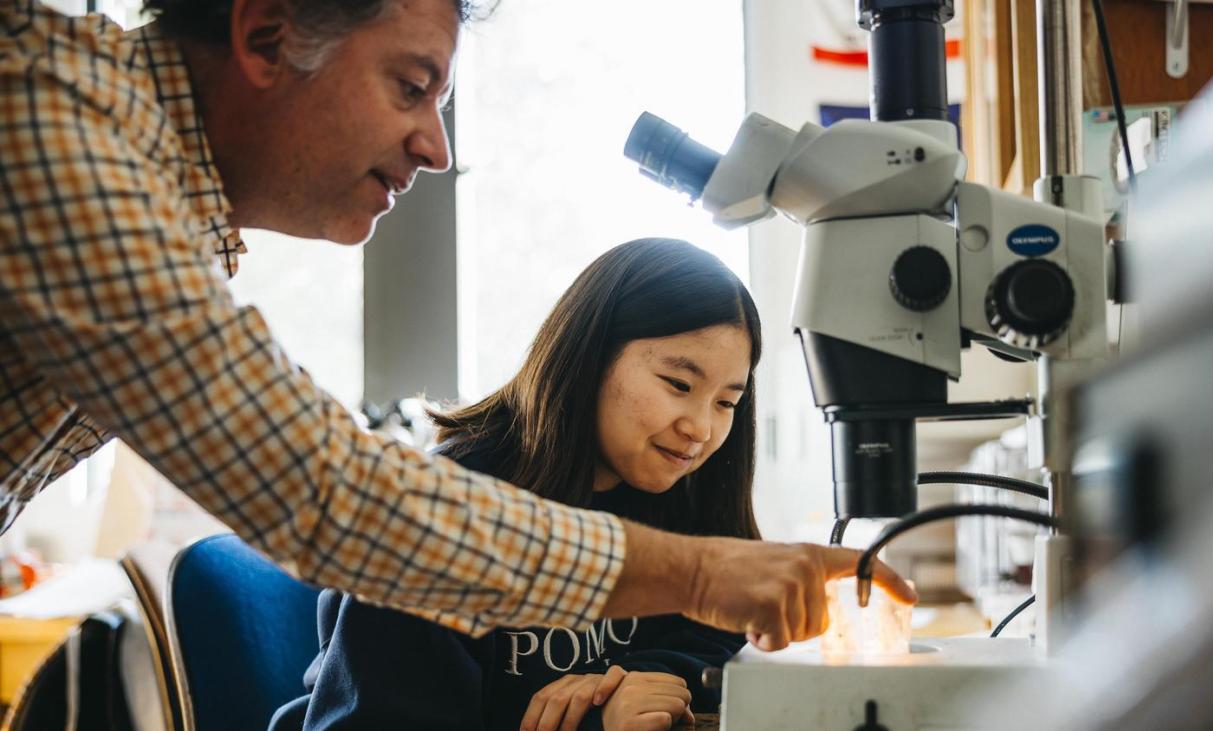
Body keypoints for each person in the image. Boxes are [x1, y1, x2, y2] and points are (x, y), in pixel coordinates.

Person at [0, 0, 914, 650]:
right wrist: (704, 573)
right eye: (411, 85)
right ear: (267, 35)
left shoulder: (162, 192)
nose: (437, 146)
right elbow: (324, 490)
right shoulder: (54, 120)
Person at [275, 238, 762, 731]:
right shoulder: (439, 515)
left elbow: (724, 629)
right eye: (679, 385)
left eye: (726, 403)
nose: (701, 429)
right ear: (591, 354)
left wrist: (640, 678)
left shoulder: (683, 492)